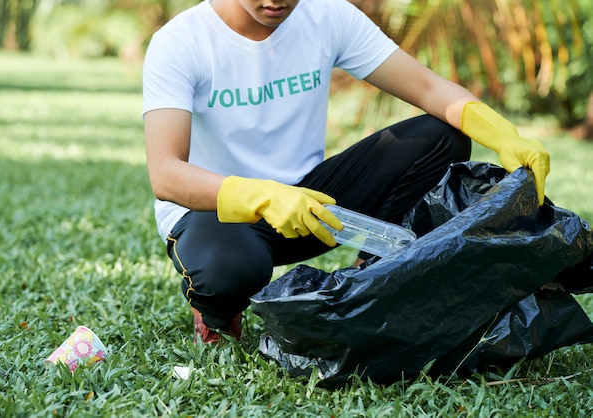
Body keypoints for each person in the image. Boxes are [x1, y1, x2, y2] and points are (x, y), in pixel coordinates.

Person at [142, 0, 550, 344]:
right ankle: (216, 314)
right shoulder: (180, 43)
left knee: (441, 135)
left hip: (312, 205)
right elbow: (166, 173)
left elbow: (427, 89)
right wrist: (262, 195)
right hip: (221, 213)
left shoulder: (328, 16)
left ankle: (368, 280)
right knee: (228, 274)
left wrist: (503, 134)